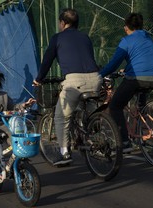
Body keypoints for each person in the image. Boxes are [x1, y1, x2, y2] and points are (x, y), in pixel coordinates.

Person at [32, 8, 102, 165]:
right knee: (86, 109)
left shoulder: (57, 38)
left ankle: (64, 152)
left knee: (61, 116)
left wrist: (39, 79)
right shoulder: (85, 37)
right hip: (96, 78)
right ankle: (91, 136)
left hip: (75, 81)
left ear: (63, 23)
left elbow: (48, 60)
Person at [100, 13, 153, 153]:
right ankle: (141, 133)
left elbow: (114, 63)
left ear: (126, 27)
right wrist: (128, 69)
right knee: (140, 104)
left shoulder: (126, 41)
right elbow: (142, 59)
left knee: (116, 106)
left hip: (138, 78)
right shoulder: (148, 38)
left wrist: (100, 75)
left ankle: (125, 142)